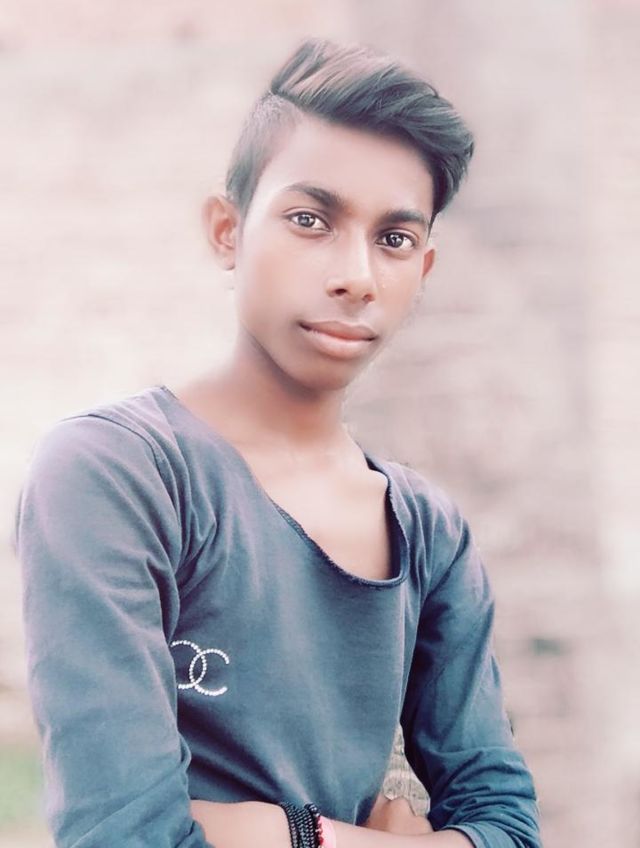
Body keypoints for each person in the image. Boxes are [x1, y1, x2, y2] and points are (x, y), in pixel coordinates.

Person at [14, 37, 542, 848]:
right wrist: (322, 833)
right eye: (310, 220)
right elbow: (123, 833)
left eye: (394, 240)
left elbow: (507, 820)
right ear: (228, 231)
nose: (356, 275)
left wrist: (252, 828)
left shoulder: (430, 532)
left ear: (423, 270)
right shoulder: (118, 474)